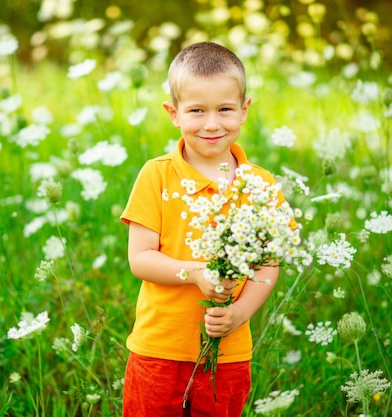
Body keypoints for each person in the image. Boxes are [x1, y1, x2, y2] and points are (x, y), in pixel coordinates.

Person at [120, 41, 286, 417]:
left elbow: (268, 265)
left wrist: (240, 313)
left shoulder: (260, 185)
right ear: (174, 113)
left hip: (226, 353)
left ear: (244, 110)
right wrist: (196, 273)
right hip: (158, 349)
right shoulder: (157, 175)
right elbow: (140, 259)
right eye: (196, 110)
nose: (212, 123)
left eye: (225, 109)